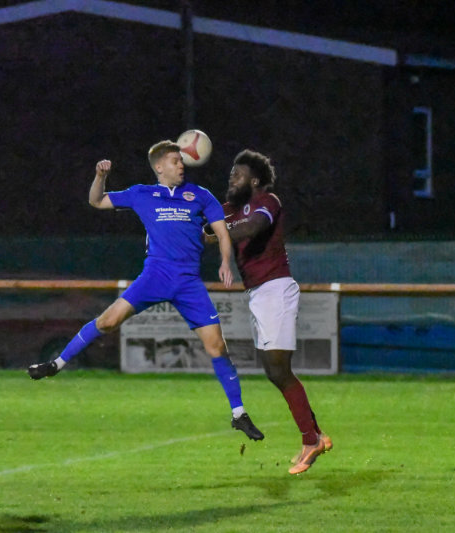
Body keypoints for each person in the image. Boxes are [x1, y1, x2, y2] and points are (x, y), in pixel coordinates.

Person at [27, 140, 264, 441]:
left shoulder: (200, 195)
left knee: (217, 346)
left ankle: (239, 413)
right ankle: (56, 364)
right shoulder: (142, 194)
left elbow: (222, 233)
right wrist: (100, 177)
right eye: (175, 161)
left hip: (188, 282)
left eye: (182, 160)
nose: (181, 165)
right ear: (159, 167)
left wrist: (226, 262)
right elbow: (96, 201)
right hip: (155, 276)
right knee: (107, 322)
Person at [205, 149, 330, 474]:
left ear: (255, 180)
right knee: (274, 371)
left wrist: (217, 234)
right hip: (257, 294)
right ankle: (315, 435)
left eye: (238, 174)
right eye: (231, 174)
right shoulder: (228, 210)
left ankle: (311, 440)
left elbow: (253, 228)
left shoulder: (267, 201)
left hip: (276, 288)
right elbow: (204, 226)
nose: (232, 178)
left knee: (278, 368)